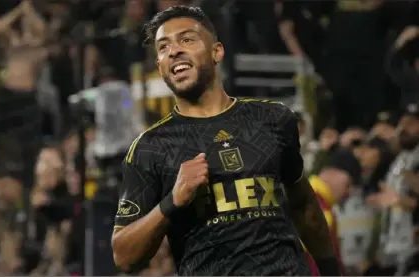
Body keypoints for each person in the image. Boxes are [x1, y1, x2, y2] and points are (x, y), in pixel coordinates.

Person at [112, 6, 341, 276]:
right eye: (163, 47)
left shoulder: (272, 119)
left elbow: (304, 206)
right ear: (160, 67)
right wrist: (172, 201)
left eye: (187, 39)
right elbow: (124, 256)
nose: (174, 51)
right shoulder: (150, 147)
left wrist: (331, 272)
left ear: (217, 51)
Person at [307, 148, 363, 275]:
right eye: (348, 184)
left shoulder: (308, 198)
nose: (348, 192)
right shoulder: (319, 209)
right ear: (333, 172)